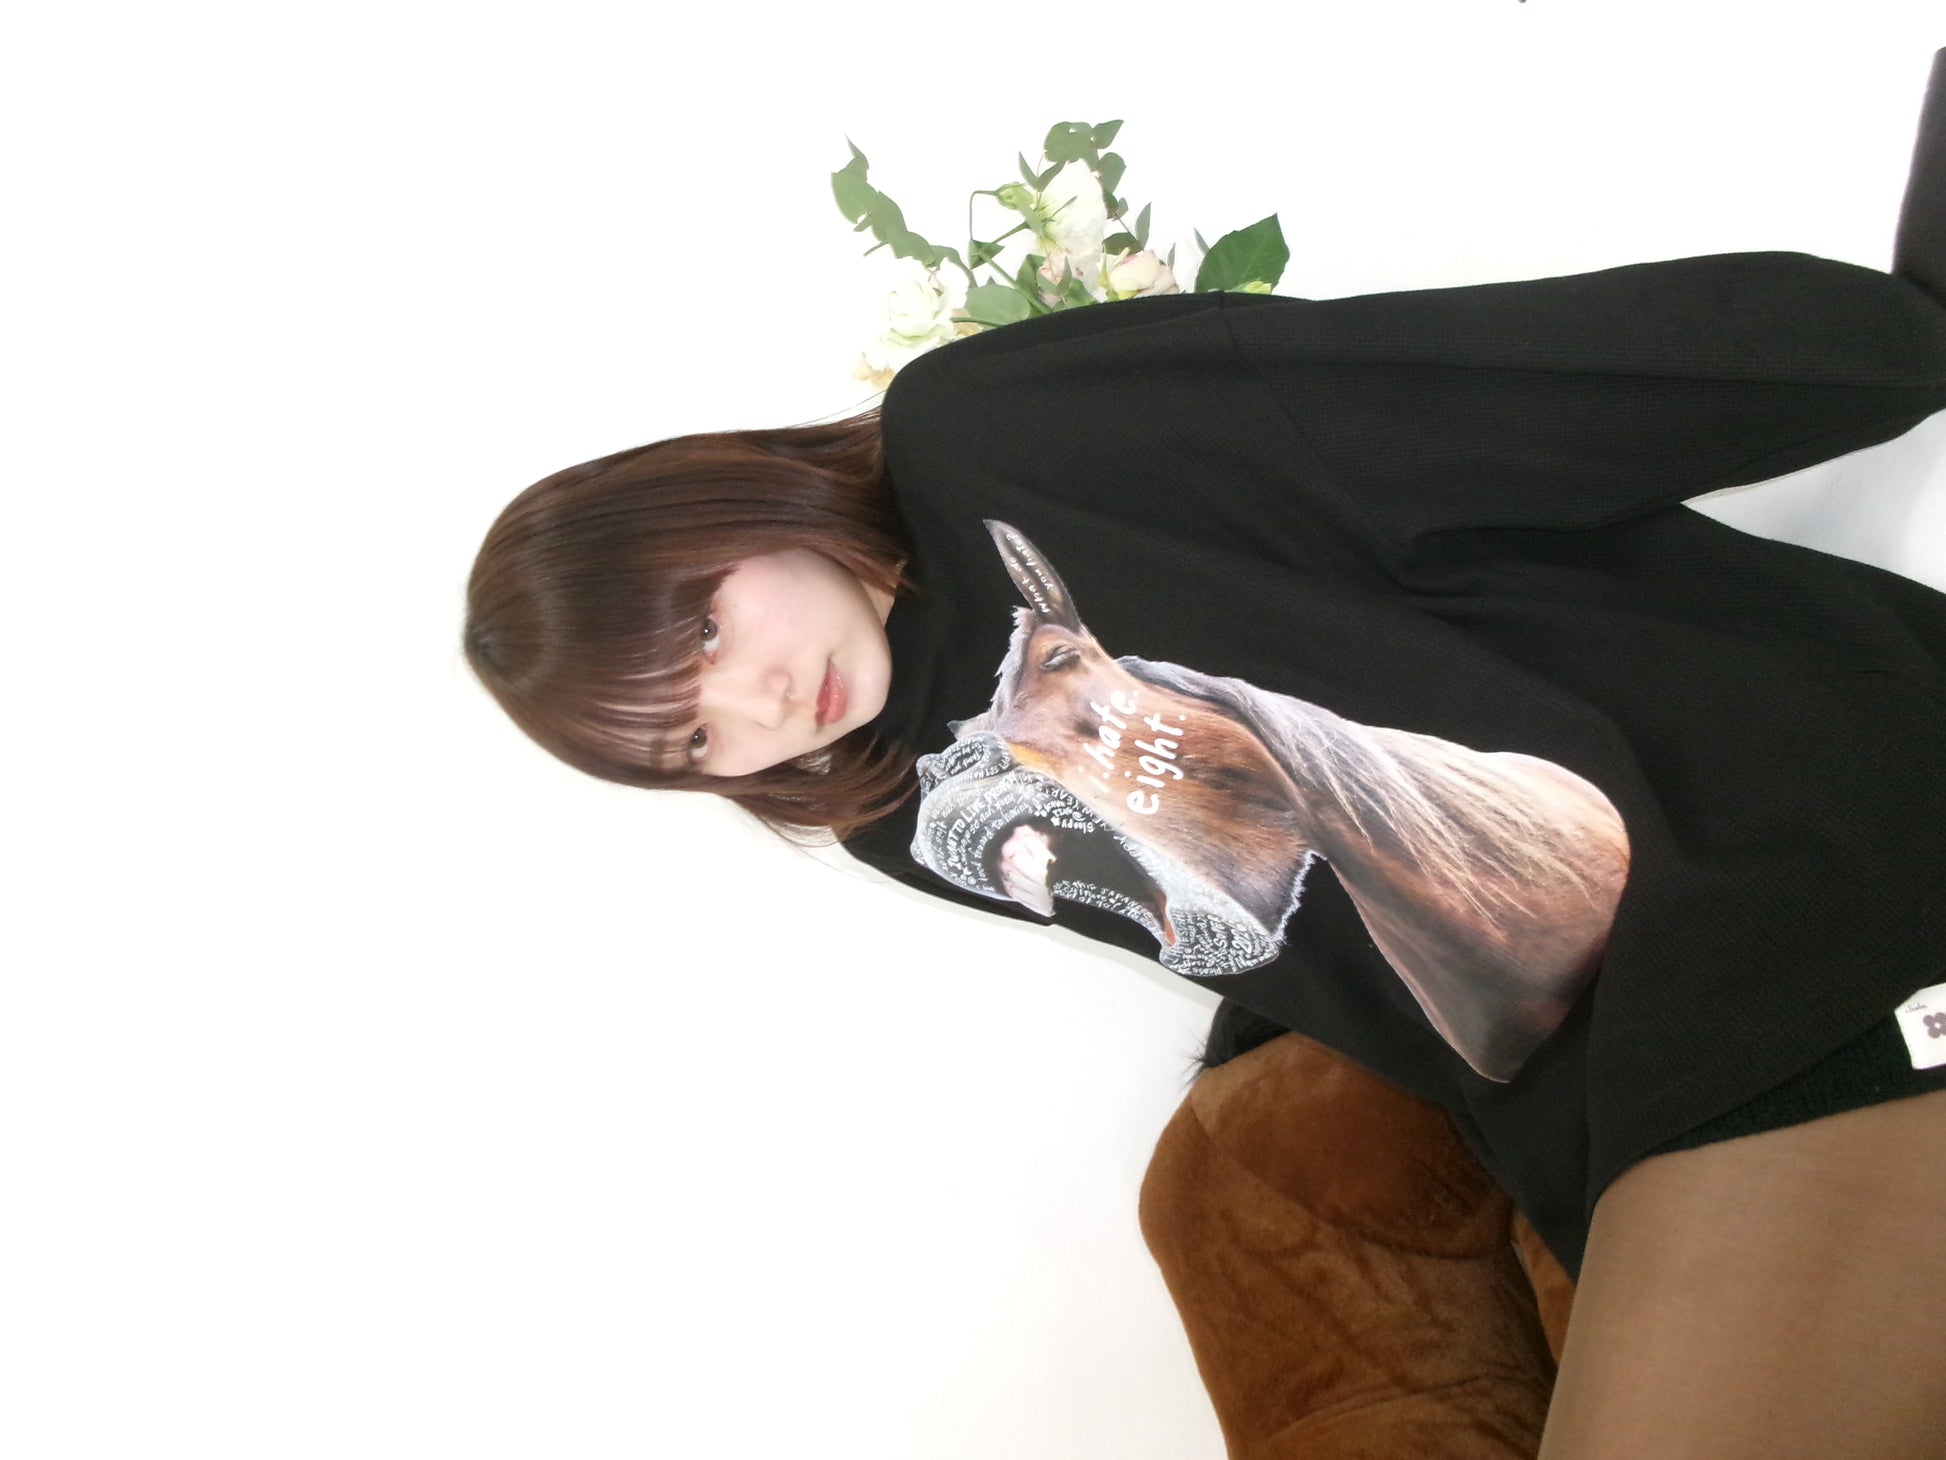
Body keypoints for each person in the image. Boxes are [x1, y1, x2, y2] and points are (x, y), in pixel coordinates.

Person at [466, 56, 1946, 1458]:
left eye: (707, 628)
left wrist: (1892, 341)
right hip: (1599, 1087)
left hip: (1775, 858)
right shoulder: (892, 816)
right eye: (693, 736)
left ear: (717, 506)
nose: (765, 704)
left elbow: (1462, 400)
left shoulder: (990, 437)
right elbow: (1277, 925)